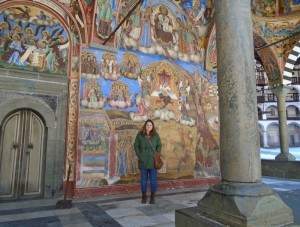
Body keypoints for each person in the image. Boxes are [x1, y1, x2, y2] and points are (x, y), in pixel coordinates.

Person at [134, 119, 162, 204]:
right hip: (143, 161)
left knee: (153, 179)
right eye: (147, 125)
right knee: (143, 180)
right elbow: (136, 145)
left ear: (152, 126)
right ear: (145, 126)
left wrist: (157, 153)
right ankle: (144, 197)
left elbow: (159, 145)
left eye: (150, 125)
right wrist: (140, 155)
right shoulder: (140, 135)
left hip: (153, 162)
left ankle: (152, 198)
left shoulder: (156, 135)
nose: (149, 126)